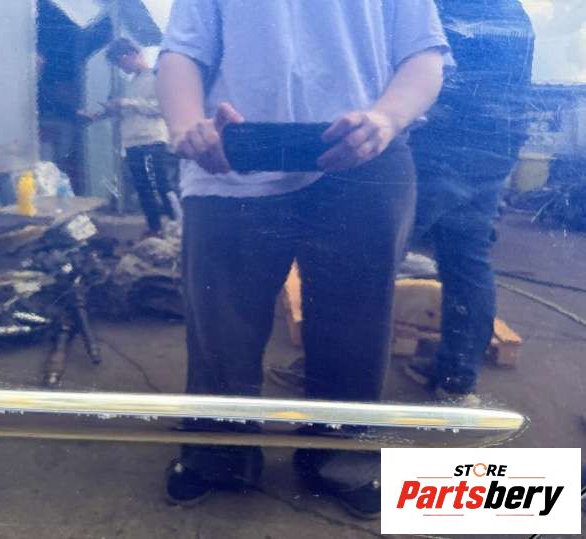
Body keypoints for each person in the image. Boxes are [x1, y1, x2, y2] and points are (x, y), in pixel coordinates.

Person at [157, 0, 450, 518]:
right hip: (231, 156)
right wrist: (186, 124)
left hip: (364, 153)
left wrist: (386, 118)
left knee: (356, 325)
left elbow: (422, 54)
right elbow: (182, 50)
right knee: (220, 325)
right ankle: (218, 454)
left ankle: (341, 457)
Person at [404, 0, 535, 405]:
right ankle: (456, 381)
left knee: (374, 258)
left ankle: (338, 384)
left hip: (437, 145)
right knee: (467, 258)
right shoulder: (514, 13)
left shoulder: (437, 9)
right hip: (495, 147)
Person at [81, 38, 176, 235]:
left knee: (162, 184)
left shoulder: (157, 76)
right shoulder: (131, 83)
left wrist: (129, 103)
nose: (121, 68)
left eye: (121, 62)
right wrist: (100, 114)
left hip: (152, 139)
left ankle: (179, 224)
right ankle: (155, 228)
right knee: (142, 188)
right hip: (132, 142)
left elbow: (163, 107)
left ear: (132, 54)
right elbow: (127, 111)